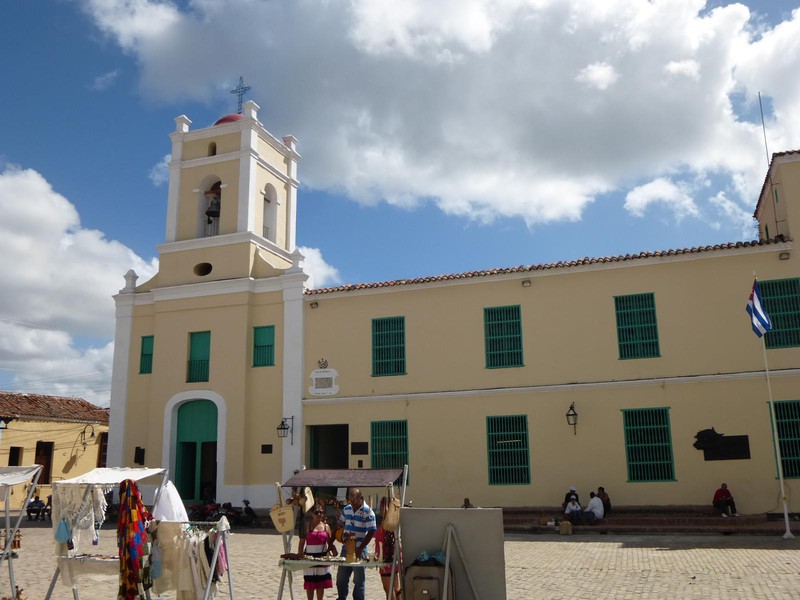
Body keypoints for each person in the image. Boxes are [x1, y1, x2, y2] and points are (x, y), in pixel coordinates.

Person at [336, 489, 376, 600]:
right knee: (341, 578)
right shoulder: (347, 509)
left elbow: (371, 531)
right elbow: (340, 525)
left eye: (354, 499)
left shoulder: (368, 511)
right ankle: (341, 597)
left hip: (360, 549)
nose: (352, 502)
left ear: (360, 498)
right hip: (346, 548)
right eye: (350, 499)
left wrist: (361, 548)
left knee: (358, 580)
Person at [298, 504, 336, 600]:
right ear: (312, 514)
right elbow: (302, 542)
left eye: (321, 512)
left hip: (322, 558)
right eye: (316, 512)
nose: (319, 514)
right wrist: (299, 555)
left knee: (320, 584)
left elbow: (330, 543)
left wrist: (333, 550)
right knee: (310, 584)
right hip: (309, 558)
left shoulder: (326, 527)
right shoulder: (307, 526)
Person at [374, 497, 401, 600]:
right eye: (380, 506)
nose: (381, 509)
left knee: (390, 589)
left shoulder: (390, 523)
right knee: (394, 589)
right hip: (386, 559)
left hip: (387, 559)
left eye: (382, 506)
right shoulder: (386, 522)